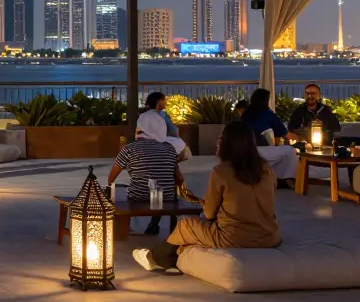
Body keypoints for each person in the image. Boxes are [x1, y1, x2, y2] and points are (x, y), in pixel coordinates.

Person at [132, 120, 281, 273]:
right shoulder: (267, 170)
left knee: (186, 225)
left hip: (234, 237)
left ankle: (154, 259)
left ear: (226, 144)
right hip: (269, 236)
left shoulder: (221, 171)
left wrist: (206, 204)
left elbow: (209, 214)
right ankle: (172, 259)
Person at [109, 129, 184, 236]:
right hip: (166, 198)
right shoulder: (169, 148)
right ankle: (154, 224)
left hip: (139, 197)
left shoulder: (129, 148)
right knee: (159, 186)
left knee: (117, 189)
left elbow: (111, 177)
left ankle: (124, 228)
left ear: (137, 136)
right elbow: (178, 178)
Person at [239, 88, 297, 183]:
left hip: (244, 151)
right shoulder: (268, 115)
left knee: (276, 153)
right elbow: (287, 135)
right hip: (258, 151)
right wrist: (302, 139)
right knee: (290, 151)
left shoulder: (246, 114)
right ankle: (288, 178)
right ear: (266, 101)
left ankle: (271, 176)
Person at [135, 92, 189, 160]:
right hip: (157, 144)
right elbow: (171, 132)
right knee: (184, 149)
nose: (165, 102)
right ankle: (170, 166)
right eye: (164, 100)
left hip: (144, 143)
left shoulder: (142, 115)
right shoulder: (161, 116)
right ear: (159, 101)